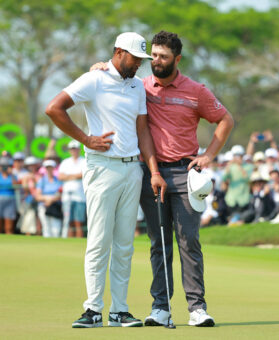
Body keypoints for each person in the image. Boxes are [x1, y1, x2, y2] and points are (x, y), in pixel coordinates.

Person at [90, 30, 233, 327]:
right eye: (153, 55)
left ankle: (197, 308)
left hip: (185, 173)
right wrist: (100, 68)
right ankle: (161, 308)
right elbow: (113, 79)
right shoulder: (140, 86)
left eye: (163, 57)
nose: (155, 61)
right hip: (151, 173)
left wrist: (209, 155)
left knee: (188, 240)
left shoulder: (196, 90)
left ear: (177, 59)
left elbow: (225, 120)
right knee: (158, 243)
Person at [45, 32, 166, 328]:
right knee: (99, 241)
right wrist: (86, 138)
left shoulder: (137, 86)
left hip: (131, 170)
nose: (139, 64)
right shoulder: (94, 80)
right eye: (135, 58)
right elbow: (54, 108)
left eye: (142, 60)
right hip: (102, 168)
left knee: (125, 244)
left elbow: (143, 132)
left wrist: (153, 171)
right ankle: (93, 309)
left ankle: (119, 311)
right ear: (119, 52)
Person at [58, 140, 86, 238]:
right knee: (69, 222)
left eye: (75, 149)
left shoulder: (84, 161)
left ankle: (78, 242)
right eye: (72, 149)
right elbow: (60, 176)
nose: (74, 151)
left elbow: (83, 175)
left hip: (80, 197)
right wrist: (76, 176)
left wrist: (68, 176)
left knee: (78, 222)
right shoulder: (65, 162)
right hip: (67, 196)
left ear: (79, 149)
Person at [35, 160, 63, 237]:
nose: (49, 170)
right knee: (46, 228)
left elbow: (61, 193)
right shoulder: (42, 180)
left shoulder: (58, 180)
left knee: (56, 228)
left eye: (51, 168)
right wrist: (47, 199)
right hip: (44, 206)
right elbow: (38, 196)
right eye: (48, 168)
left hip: (55, 206)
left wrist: (51, 200)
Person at [0, 156, 17, 234]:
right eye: (2, 166)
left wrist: (12, 174)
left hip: (10, 200)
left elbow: (15, 187)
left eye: (5, 166)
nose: (4, 167)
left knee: (9, 227)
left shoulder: (12, 176)